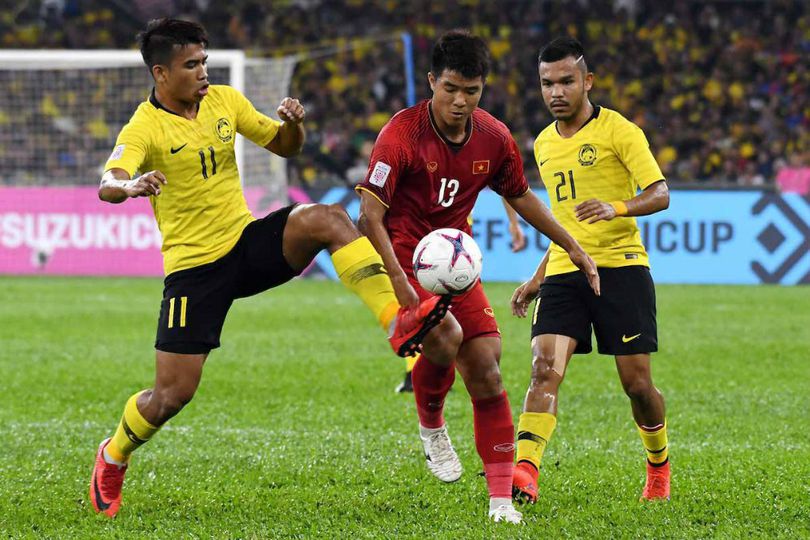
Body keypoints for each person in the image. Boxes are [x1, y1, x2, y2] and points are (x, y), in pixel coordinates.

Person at [88, 18, 449, 518]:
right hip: (195, 271)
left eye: (204, 61)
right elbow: (111, 179)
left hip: (245, 241)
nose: (202, 72)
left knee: (328, 218)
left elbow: (285, 145)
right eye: (191, 65)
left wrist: (294, 123)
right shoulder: (144, 127)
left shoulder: (225, 101)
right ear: (161, 73)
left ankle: (398, 324)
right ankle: (113, 456)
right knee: (172, 395)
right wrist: (126, 187)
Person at [356, 30, 599, 524]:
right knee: (444, 338)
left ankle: (501, 502)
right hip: (406, 259)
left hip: (455, 264)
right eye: (450, 89)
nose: (460, 101)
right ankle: (431, 427)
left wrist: (571, 244)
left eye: (471, 91)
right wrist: (401, 284)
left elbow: (521, 195)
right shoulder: (400, 135)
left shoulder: (493, 136)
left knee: (487, 366)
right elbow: (369, 216)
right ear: (432, 83)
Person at [510, 37, 671, 505]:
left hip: (621, 268)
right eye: (546, 83)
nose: (555, 92)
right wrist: (538, 276)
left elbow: (660, 193)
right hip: (565, 269)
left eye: (566, 81)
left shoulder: (620, 131)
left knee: (637, 386)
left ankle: (658, 465)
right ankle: (525, 472)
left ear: (587, 82)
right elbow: (560, 221)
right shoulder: (542, 143)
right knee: (544, 370)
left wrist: (617, 206)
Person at [394, 199, 526, 394]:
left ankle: (424, 374)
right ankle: (418, 374)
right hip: (422, 233)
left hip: (458, 235)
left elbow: (505, 181)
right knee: (424, 309)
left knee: (433, 311)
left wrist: (514, 222)